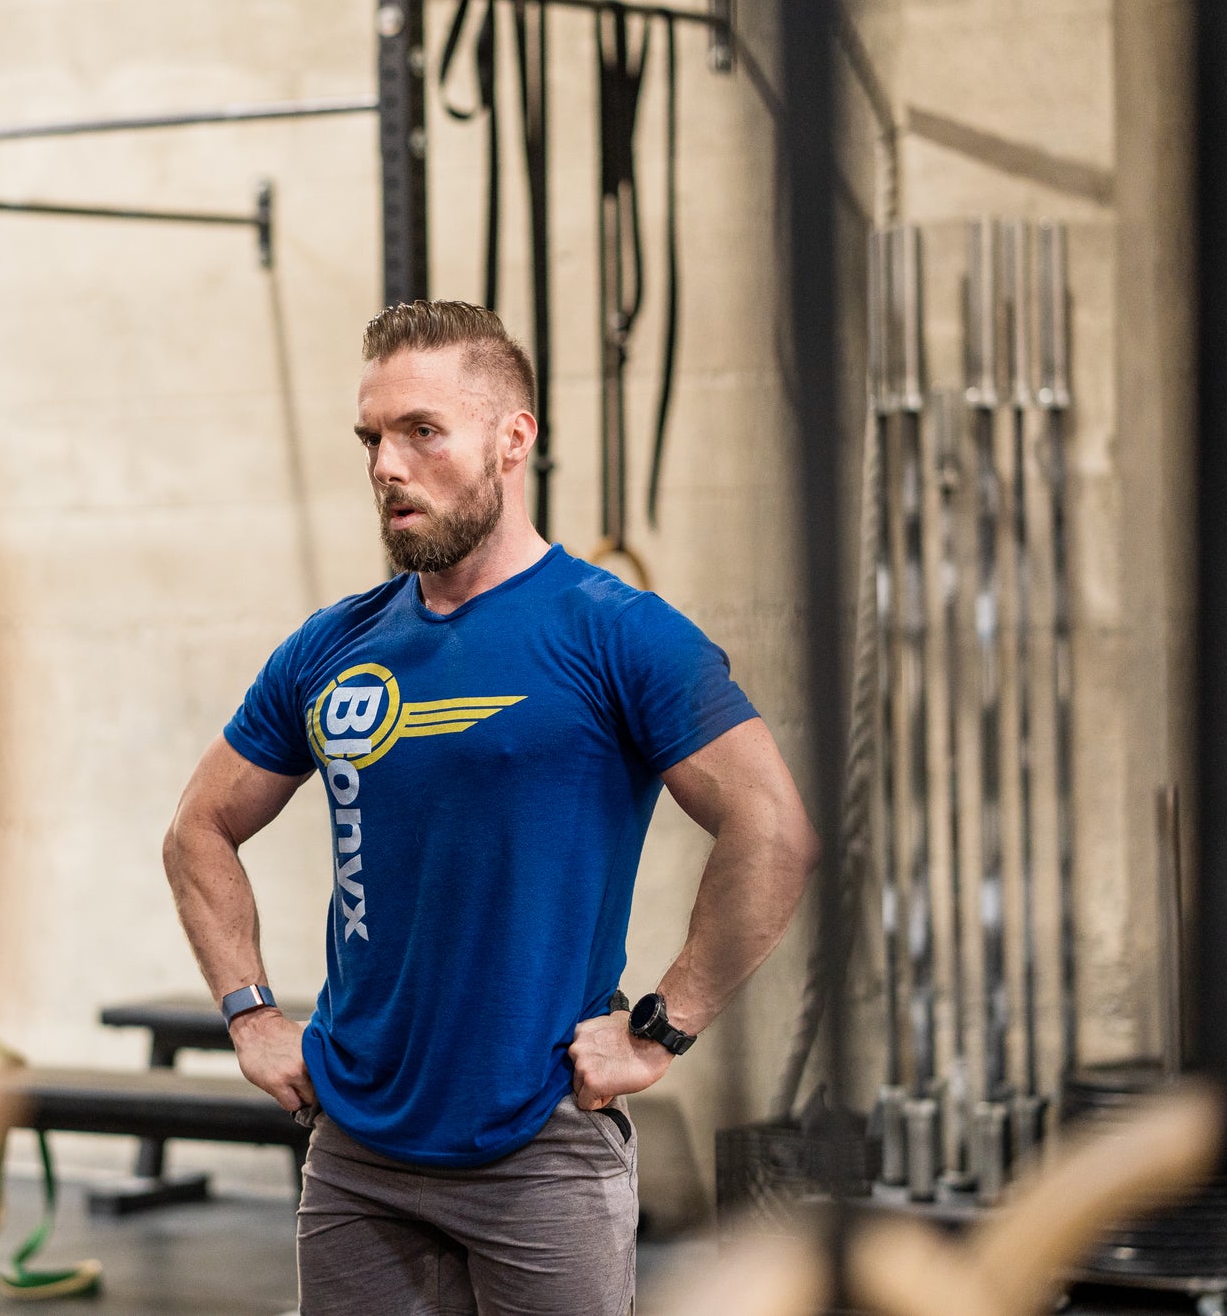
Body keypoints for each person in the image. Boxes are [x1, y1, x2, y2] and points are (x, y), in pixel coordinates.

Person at [162, 300, 818, 1315]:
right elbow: (198, 830)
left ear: (513, 441)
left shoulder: (618, 635)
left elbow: (772, 831)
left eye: (421, 430)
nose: (386, 464)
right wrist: (248, 1015)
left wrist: (659, 1030)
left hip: (538, 1145)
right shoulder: (331, 647)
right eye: (371, 437)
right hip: (353, 1150)